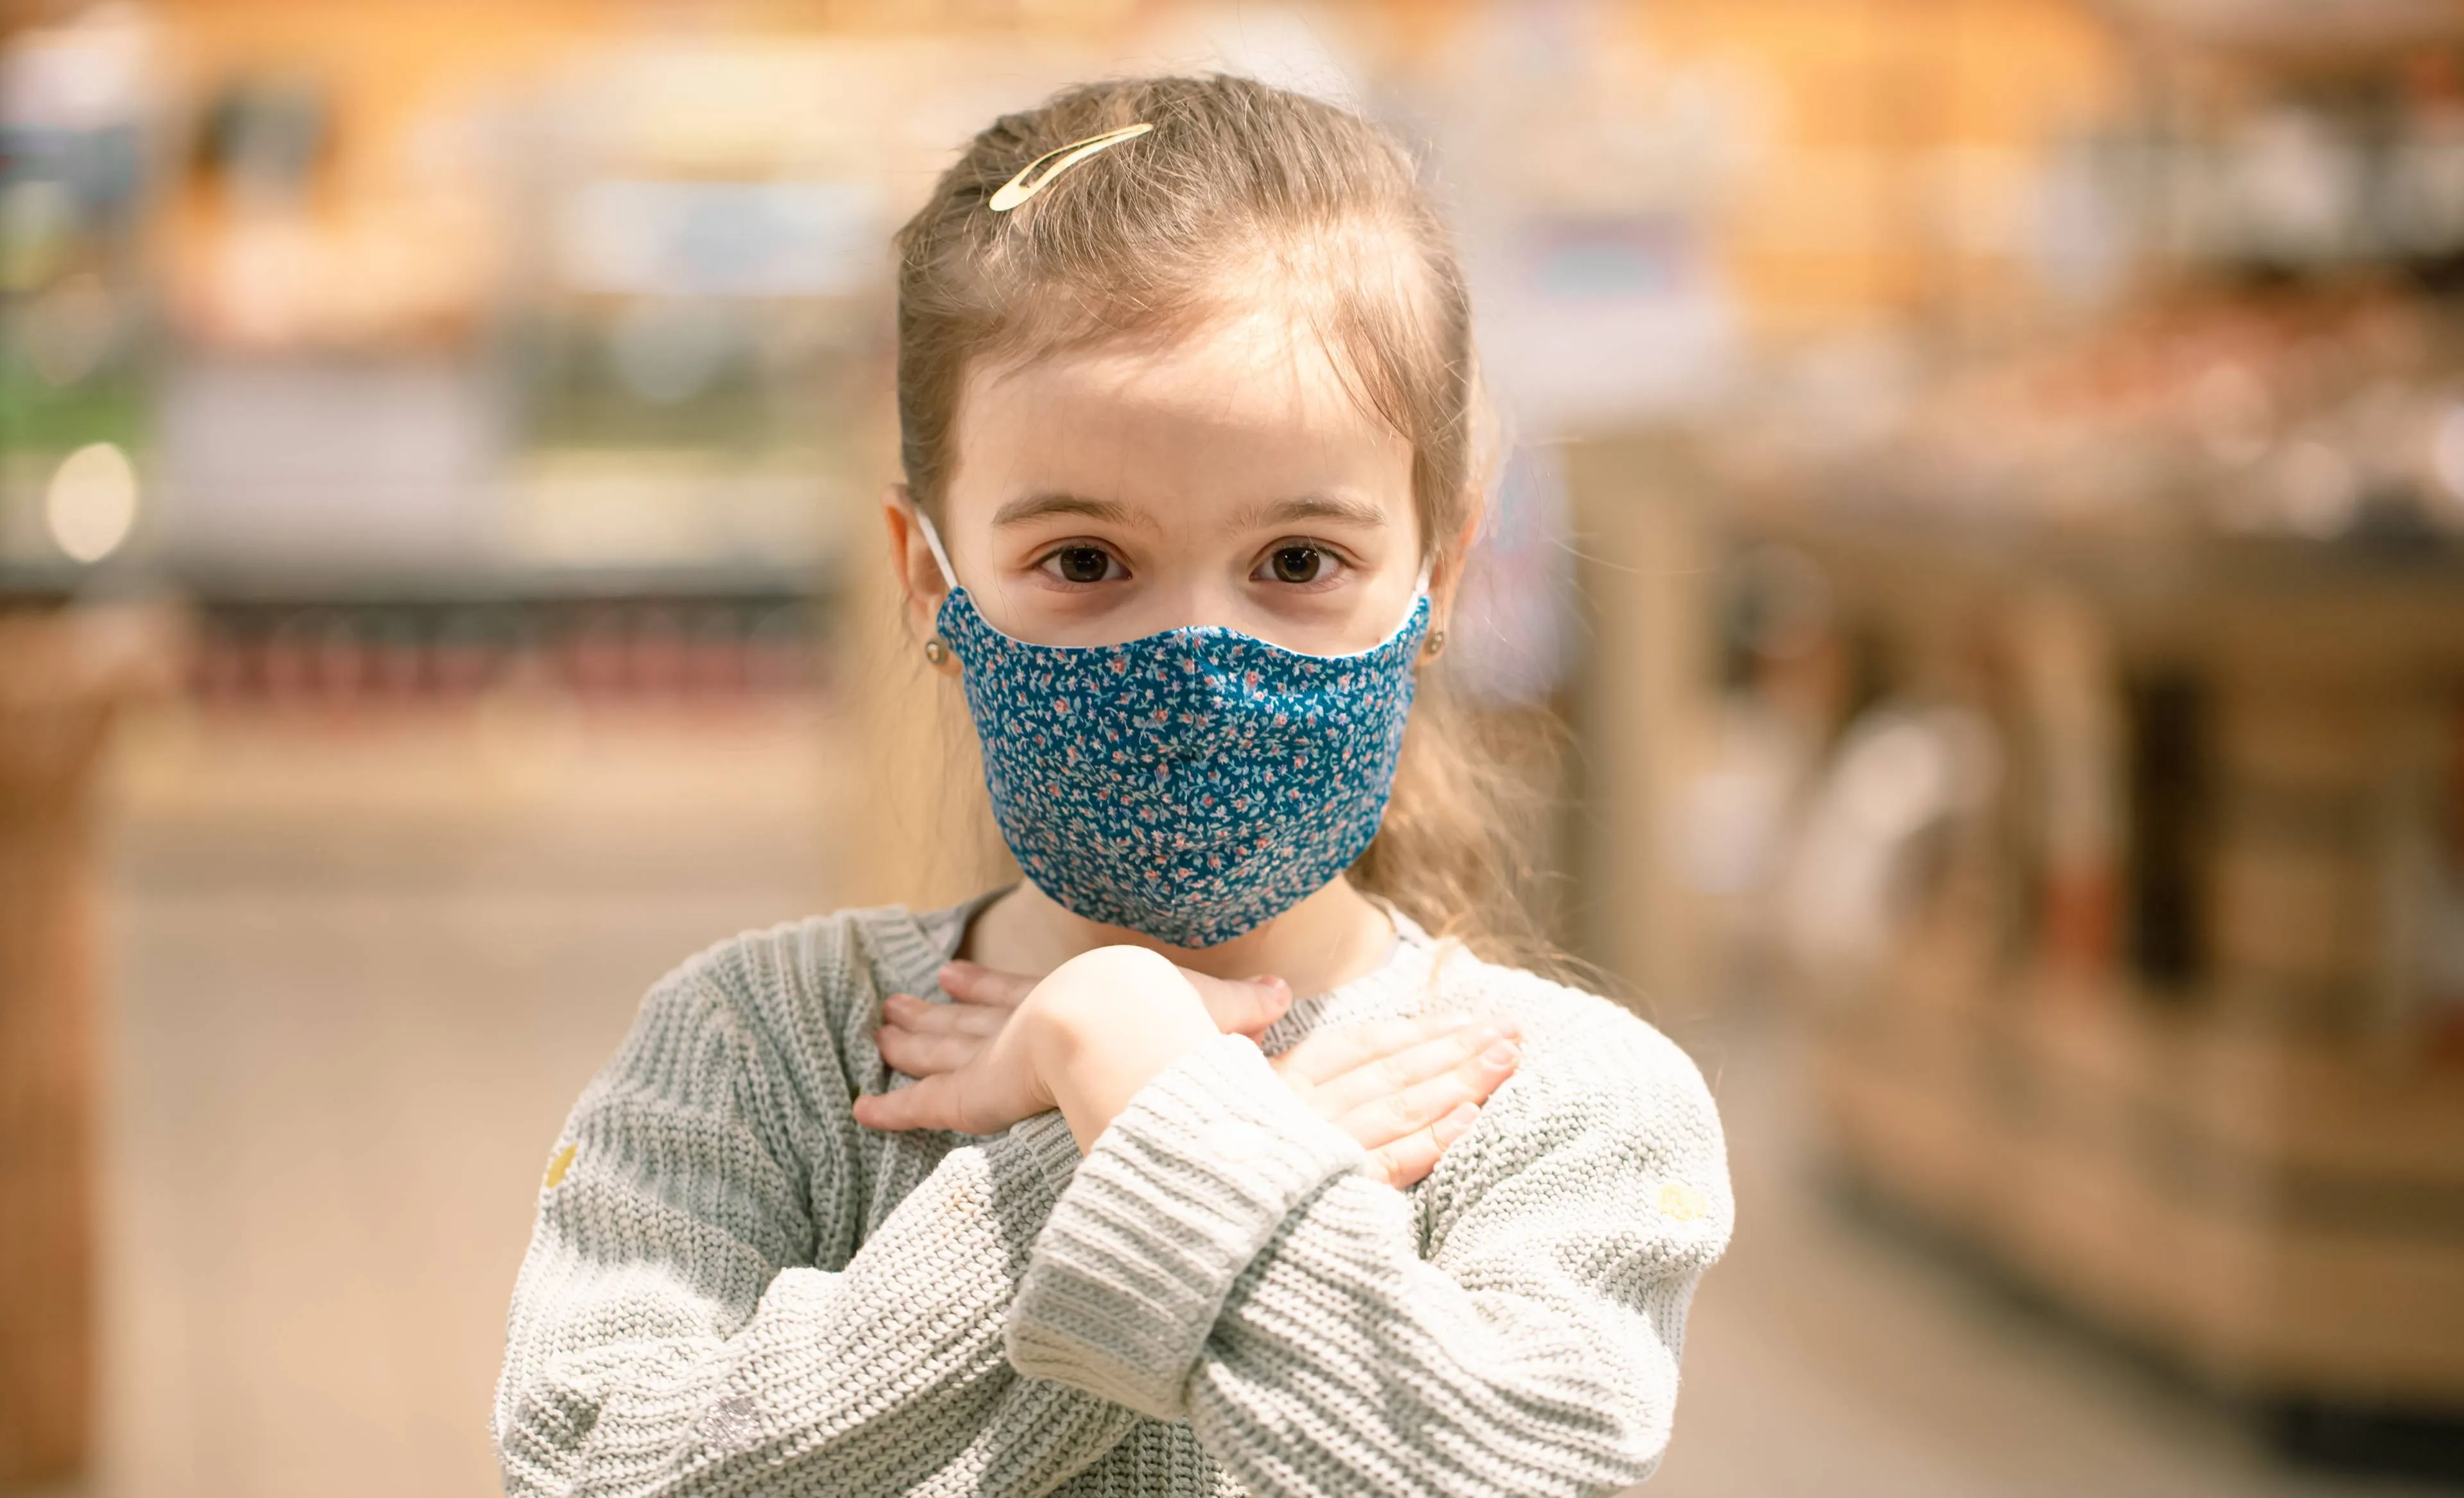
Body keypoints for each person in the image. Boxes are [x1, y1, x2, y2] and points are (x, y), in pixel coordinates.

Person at [492, 74, 1731, 1497]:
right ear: (928, 582)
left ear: (1436, 579)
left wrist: (1142, 1090)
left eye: (1299, 562)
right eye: (1085, 562)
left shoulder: (1557, 1100)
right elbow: (598, 1466)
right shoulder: (760, 1054)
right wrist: (1155, 1126)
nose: (1198, 661)